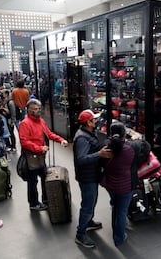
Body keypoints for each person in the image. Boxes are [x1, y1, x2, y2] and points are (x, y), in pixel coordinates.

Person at [18, 99, 68, 211]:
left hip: (40, 157)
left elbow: (49, 134)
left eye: (39, 109)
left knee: (44, 177)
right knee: (32, 182)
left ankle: (46, 199)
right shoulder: (25, 124)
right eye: (35, 109)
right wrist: (40, 148)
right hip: (31, 158)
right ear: (28, 110)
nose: (38, 111)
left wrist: (60, 140)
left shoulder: (40, 120)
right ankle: (34, 203)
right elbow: (24, 142)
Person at [73, 109, 113, 248]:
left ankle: (88, 222)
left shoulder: (87, 133)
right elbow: (81, 159)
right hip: (87, 176)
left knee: (92, 201)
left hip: (91, 174)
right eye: (93, 120)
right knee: (88, 205)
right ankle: (80, 234)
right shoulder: (82, 138)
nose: (96, 121)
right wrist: (99, 154)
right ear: (88, 122)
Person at [101, 123, 134, 247]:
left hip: (110, 184)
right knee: (121, 211)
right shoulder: (130, 149)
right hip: (125, 186)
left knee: (116, 207)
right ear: (124, 134)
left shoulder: (104, 148)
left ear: (110, 134)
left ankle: (117, 232)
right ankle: (119, 238)